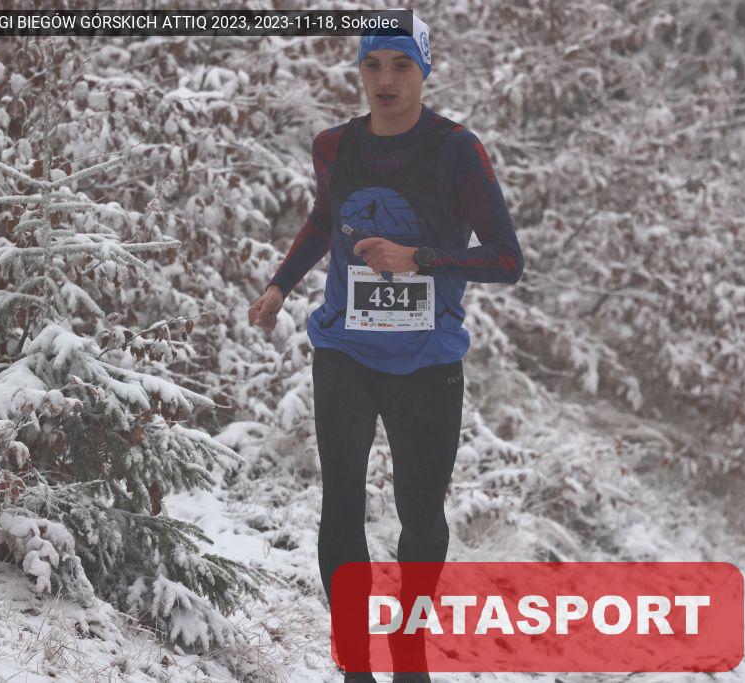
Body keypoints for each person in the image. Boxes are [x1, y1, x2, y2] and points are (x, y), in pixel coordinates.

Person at [247, 10, 524, 683]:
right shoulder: (334, 145)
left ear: (424, 69)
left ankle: (408, 657)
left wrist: (420, 257)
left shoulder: (456, 150)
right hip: (344, 351)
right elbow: (324, 220)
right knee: (340, 504)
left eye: (402, 64)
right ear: (359, 70)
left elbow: (506, 259)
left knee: (420, 517)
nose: (386, 80)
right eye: (372, 64)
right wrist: (281, 285)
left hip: (428, 361)